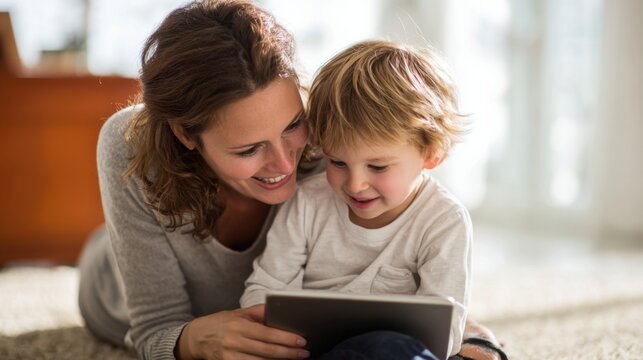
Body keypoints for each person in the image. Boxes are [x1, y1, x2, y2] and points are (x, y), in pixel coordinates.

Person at [77, 0, 507, 359]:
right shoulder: (128, 145)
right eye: (248, 150)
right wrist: (189, 340)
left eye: (293, 126)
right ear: (186, 134)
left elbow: (408, 271)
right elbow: (155, 327)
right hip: (111, 285)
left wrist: (467, 336)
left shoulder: (335, 141)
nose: (286, 162)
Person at [241, 39, 469, 358]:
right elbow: (264, 288)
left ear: (431, 154)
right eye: (337, 162)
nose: (356, 184)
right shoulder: (308, 201)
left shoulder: (444, 220)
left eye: (377, 166)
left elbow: (446, 333)